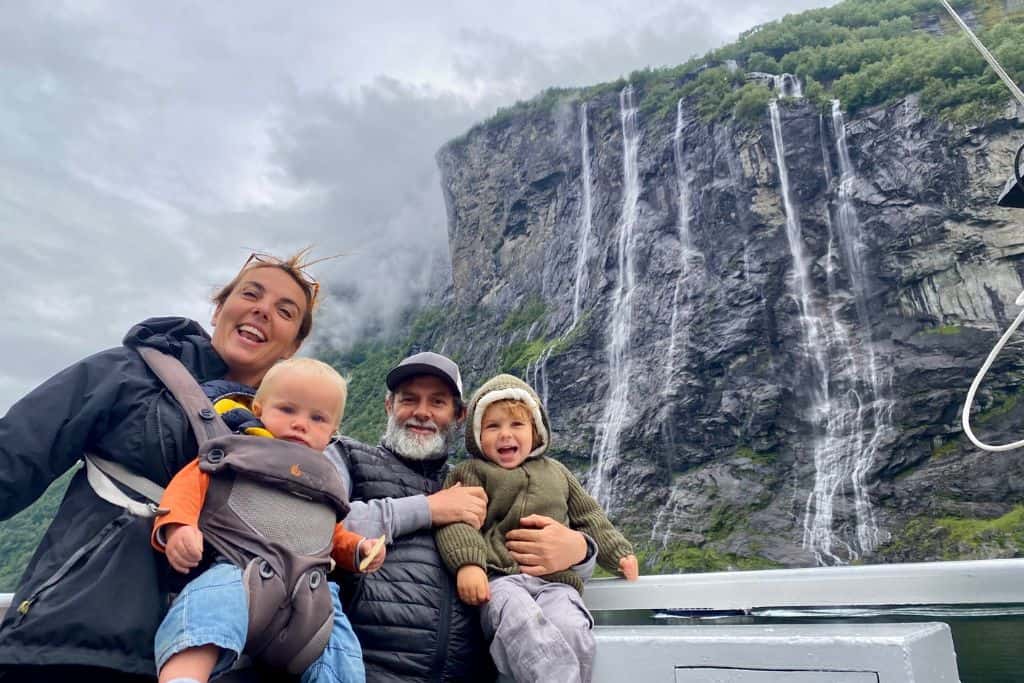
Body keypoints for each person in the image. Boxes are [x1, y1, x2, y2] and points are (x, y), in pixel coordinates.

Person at [0, 249, 324, 681]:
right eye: (251, 294)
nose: (263, 311)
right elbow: (15, 456)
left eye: (285, 311)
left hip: (225, 662)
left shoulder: (297, 436)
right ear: (218, 309)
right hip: (78, 643)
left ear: (294, 345)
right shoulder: (130, 373)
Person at [328, 351, 599, 683]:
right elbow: (315, 525)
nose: (421, 412)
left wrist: (581, 551)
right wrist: (430, 509)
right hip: (368, 671)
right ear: (389, 406)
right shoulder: (347, 455)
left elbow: (519, 557)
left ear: (459, 416)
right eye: (409, 399)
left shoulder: (482, 480)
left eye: (438, 403)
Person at [153, 357, 384, 683]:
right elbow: (192, 483)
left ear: (333, 432)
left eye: (317, 418)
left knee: (339, 641)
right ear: (258, 409)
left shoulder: (324, 478)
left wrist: (360, 550)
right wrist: (179, 526)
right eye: (288, 410)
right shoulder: (242, 450)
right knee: (209, 603)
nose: (301, 424)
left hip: (309, 592)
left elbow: (330, 534)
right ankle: (184, 676)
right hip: (242, 568)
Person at [436, 373, 638, 683]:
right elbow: (458, 523)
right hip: (500, 582)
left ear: (536, 431)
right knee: (519, 620)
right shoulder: (471, 473)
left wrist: (618, 553)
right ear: (477, 435)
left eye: (516, 425)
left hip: (558, 584)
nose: (506, 435)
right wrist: (469, 565)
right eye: (493, 426)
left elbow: (590, 517)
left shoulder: (558, 472)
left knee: (571, 626)